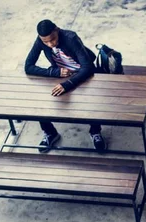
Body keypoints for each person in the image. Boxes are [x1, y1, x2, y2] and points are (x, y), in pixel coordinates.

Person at [24, 19, 107, 153]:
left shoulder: (71, 38)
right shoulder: (41, 40)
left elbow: (88, 67)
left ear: (57, 30)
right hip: (61, 74)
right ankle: (50, 133)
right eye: (46, 42)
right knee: (41, 100)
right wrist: (55, 72)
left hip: (83, 73)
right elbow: (28, 67)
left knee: (91, 101)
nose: (50, 44)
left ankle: (95, 132)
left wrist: (67, 84)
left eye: (53, 40)